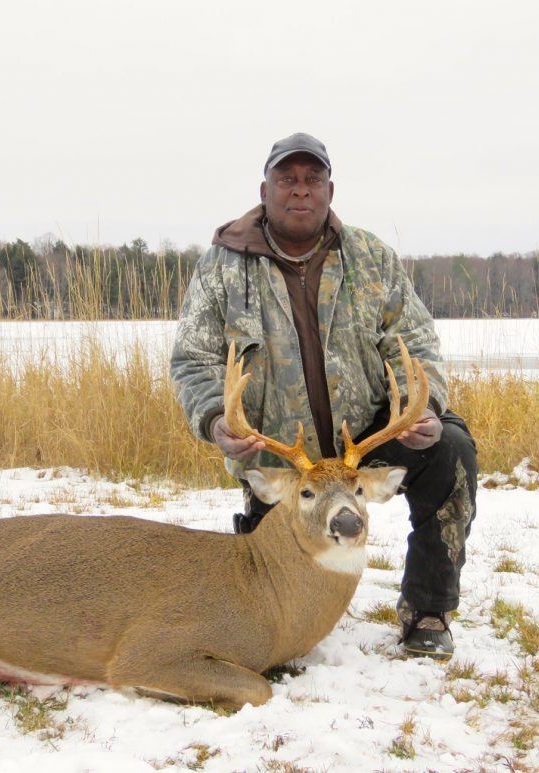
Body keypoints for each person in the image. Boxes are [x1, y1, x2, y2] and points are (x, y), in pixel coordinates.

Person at [170, 132, 477, 660]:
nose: (300, 189)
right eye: (287, 179)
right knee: (266, 616)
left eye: (313, 179)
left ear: (330, 191)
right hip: (281, 461)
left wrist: (422, 408)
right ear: (264, 190)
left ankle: (427, 611)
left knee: (449, 448)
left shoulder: (370, 258)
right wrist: (217, 419)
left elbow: (415, 342)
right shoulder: (223, 267)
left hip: (364, 447)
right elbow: (192, 361)